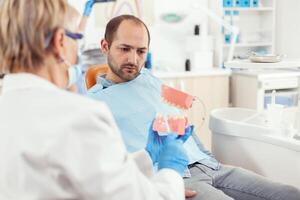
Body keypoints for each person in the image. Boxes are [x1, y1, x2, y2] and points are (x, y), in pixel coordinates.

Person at [87, 14, 300, 200]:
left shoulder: (149, 79)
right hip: (176, 177)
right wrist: (161, 188)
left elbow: (182, 124)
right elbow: (106, 172)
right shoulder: (92, 104)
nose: (133, 59)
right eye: (124, 49)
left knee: (291, 194)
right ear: (105, 46)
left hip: (210, 167)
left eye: (141, 51)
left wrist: (211, 160)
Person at [0, 1, 191, 199]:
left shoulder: (7, 108)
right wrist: (171, 170)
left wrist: (146, 156)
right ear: (59, 42)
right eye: (77, 38)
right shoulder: (81, 116)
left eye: (141, 51)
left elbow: (89, 175)